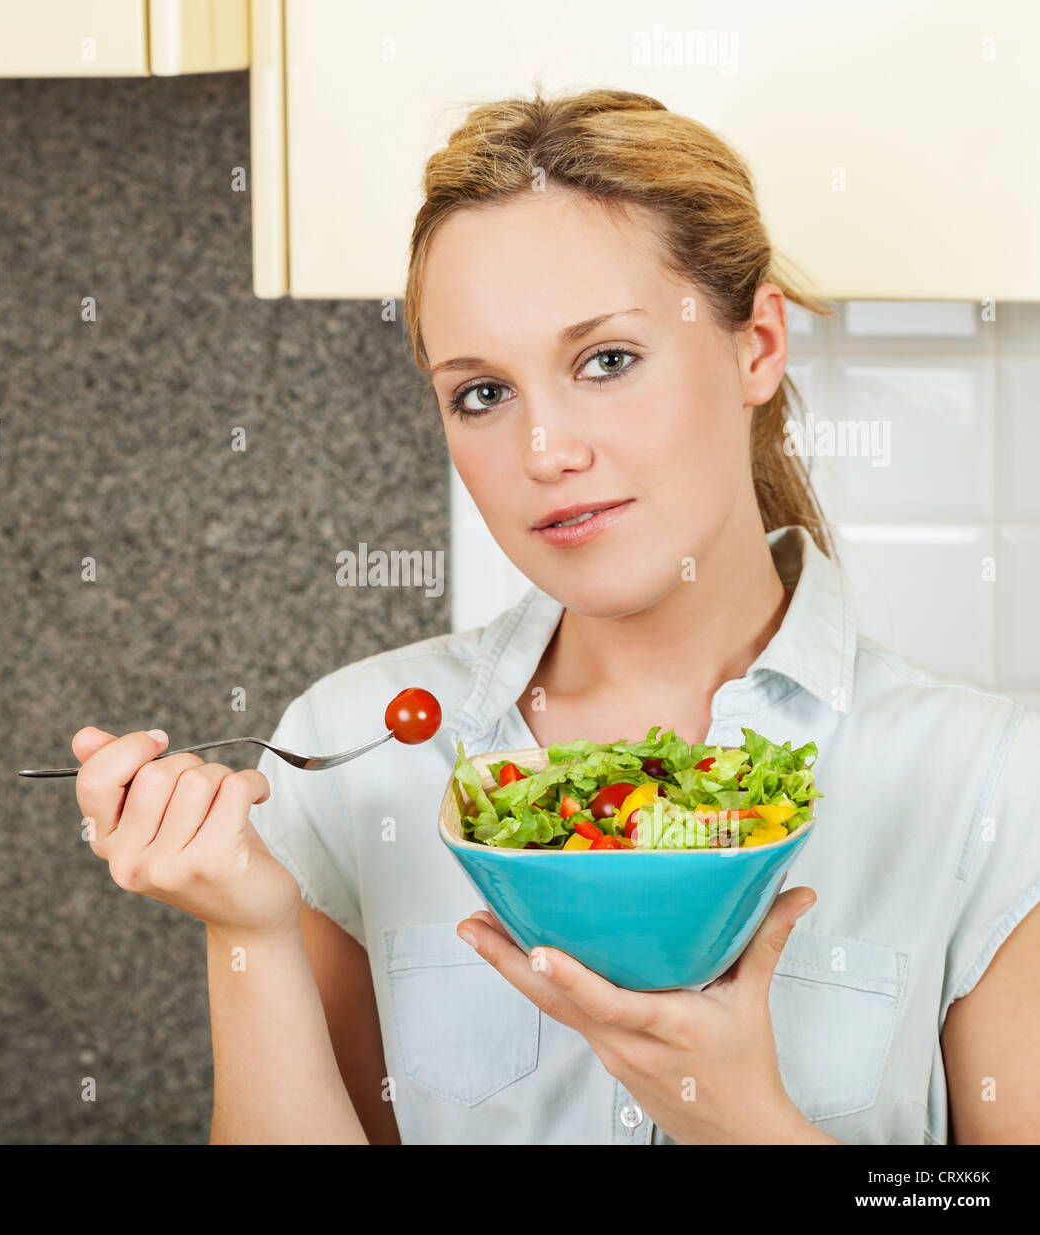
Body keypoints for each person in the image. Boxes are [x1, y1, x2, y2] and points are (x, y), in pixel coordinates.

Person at [69, 88, 1040, 1145]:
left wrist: (744, 1120)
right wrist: (245, 931)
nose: (543, 450)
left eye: (606, 361)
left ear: (757, 344)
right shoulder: (353, 755)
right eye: (481, 392)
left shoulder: (987, 782)